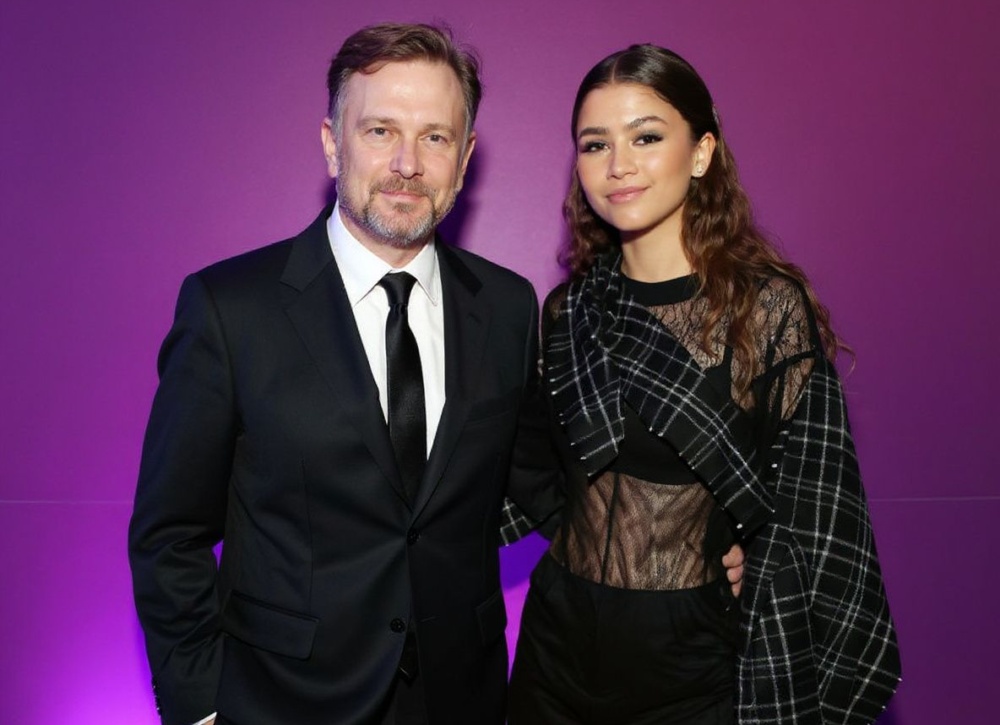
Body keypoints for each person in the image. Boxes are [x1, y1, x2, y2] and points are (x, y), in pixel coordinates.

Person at [127, 23, 565, 725]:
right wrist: (202, 706)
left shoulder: (509, 307)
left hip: (462, 697)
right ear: (333, 143)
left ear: (464, 158)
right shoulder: (230, 309)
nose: (407, 164)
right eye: (380, 131)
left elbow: (544, 482)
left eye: (435, 137)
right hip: (283, 702)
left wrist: (700, 543)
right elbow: (169, 533)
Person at [508, 45, 900, 724]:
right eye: (595, 144)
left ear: (701, 152)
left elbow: (816, 504)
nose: (618, 164)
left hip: (693, 665)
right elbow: (535, 466)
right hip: (554, 650)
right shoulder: (570, 310)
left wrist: (760, 553)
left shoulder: (765, 310)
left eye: (646, 137)